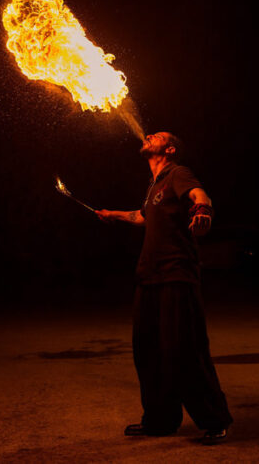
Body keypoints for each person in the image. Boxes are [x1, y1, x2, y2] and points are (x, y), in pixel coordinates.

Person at [95, 132, 233, 444]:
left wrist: (203, 211)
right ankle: (159, 420)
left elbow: (201, 194)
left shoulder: (177, 173)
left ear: (169, 149)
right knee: (149, 354)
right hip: (148, 277)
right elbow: (143, 216)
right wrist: (112, 215)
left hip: (176, 274)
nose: (147, 136)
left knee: (185, 351)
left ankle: (215, 419)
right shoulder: (154, 186)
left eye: (156, 136)